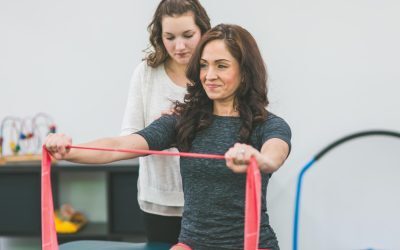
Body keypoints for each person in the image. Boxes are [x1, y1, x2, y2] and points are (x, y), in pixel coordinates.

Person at [45, 24, 291, 250]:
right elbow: (122, 145)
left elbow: (274, 154)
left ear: (245, 73)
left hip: (253, 244)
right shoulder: (184, 120)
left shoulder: (268, 125)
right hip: (192, 245)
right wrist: (68, 150)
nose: (209, 75)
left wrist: (257, 160)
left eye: (221, 65)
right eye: (204, 65)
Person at [120, 0, 210, 244]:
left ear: (203, 30)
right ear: (159, 36)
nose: (179, 46)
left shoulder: (212, 72)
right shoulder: (146, 73)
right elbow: (130, 135)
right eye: (169, 37)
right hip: (159, 201)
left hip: (209, 202)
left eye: (188, 35)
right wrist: (159, 132)